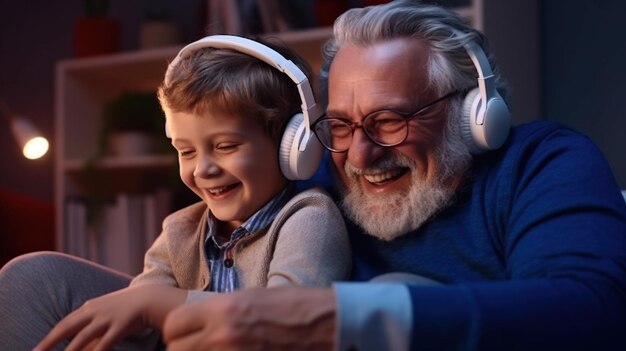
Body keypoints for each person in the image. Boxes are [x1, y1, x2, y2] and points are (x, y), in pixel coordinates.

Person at [160, 1, 626, 350]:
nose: (360, 155)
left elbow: (594, 309)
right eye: (340, 125)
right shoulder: (314, 179)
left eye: (389, 121)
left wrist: (344, 316)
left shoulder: (542, 162)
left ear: (472, 113)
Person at [0, 35, 351, 350]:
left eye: (226, 146)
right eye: (186, 151)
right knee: (32, 277)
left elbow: (290, 326)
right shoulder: (181, 229)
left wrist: (166, 304)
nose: (203, 169)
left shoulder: (309, 218)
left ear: (293, 146)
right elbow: (138, 315)